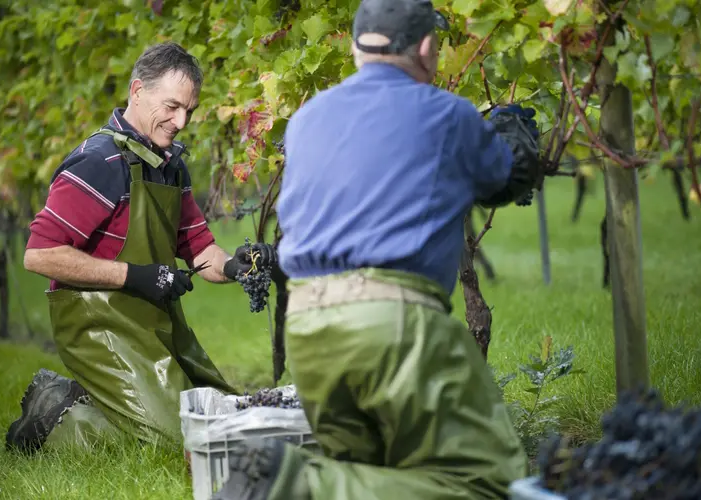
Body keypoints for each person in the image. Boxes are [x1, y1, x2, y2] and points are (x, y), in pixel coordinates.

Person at [212, 0, 542, 499]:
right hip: (392, 325)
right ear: (428, 48)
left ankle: (303, 483)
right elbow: (505, 176)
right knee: (484, 483)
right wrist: (513, 138)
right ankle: (299, 486)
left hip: (308, 327)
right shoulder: (447, 115)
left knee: (372, 473)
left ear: (354, 46)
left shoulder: (307, 120)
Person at [5, 42, 276, 454]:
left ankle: (107, 402)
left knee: (221, 413)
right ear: (137, 91)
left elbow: (199, 248)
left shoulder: (170, 166)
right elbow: (39, 254)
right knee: (179, 443)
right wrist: (135, 276)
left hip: (152, 319)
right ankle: (54, 409)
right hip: (97, 326)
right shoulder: (99, 163)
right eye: (171, 106)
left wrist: (235, 266)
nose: (181, 120)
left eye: (189, 109)